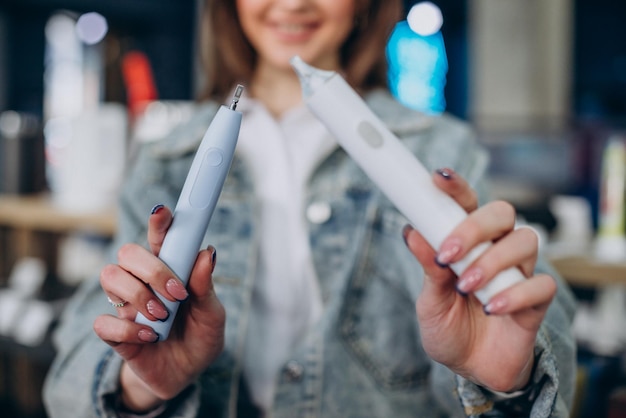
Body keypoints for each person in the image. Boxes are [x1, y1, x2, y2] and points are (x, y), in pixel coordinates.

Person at [43, 0, 577, 417]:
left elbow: (546, 315)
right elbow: (70, 377)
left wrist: (511, 375)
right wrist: (140, 382)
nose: (292, 6)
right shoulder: (166, 157)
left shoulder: (442, 151)